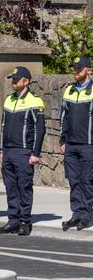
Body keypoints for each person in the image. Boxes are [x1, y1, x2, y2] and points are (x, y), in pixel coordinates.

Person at [0, 66, 46, 236]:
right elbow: (2, 127)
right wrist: (1, 148)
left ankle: (24, 221)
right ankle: (13, 220)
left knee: (24, 187)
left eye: (16, 80)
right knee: (10, 187)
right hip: (8, 151)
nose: (13, 82)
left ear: (26, 81)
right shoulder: (9, 100)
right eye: (12, 80)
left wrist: (35, 153)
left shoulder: (35, 101)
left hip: (24, 152)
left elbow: (40, 130)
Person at [59, 57, 93, 231]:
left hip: (88, 144)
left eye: (78, 69)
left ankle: (88, 215)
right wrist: (62, 140)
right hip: (71, 145)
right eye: (74, 69)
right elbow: (64, 118)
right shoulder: (69, 91)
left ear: (88, 70)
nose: (75, 72)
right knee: (74, 181)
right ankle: (77, 214)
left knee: (87, 180)